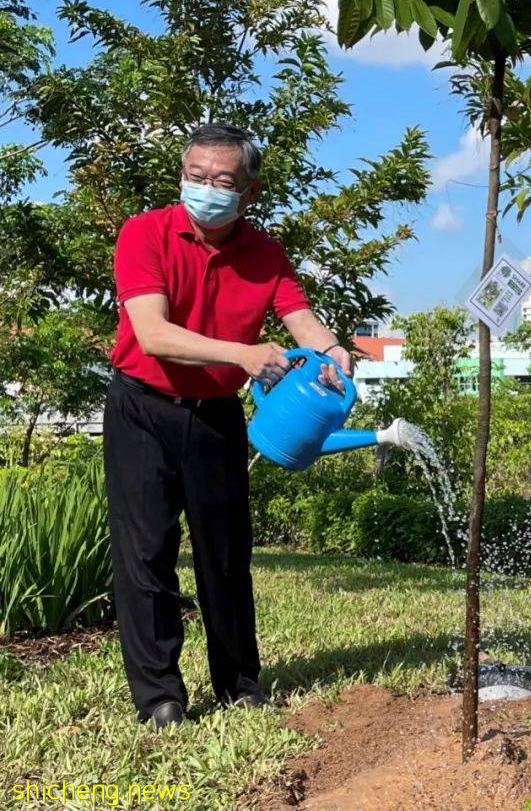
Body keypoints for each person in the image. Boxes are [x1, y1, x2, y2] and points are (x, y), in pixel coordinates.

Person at [104, 123, 352, 729]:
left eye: (223, 180)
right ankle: (160, 697)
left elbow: (302, 319)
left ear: (249, 191)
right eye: (196, 176)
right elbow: (152, 333)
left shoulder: (264, 253)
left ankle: (240, 682)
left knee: (225, 553)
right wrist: (242, 355)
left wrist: (333, 352)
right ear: (181, 176)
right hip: (142, 406)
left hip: (215, 416)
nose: (207, 189)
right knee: (146, 553)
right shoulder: (145, 233)